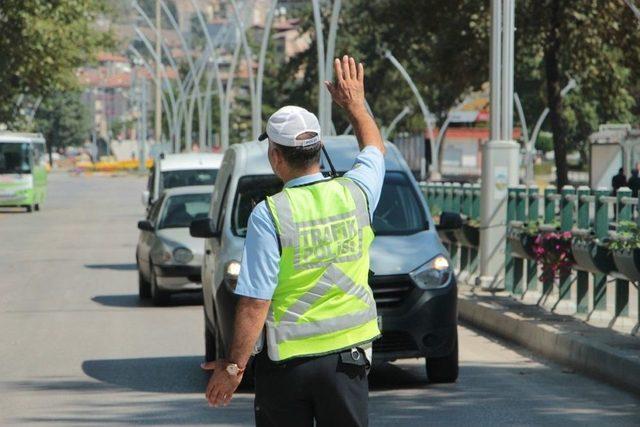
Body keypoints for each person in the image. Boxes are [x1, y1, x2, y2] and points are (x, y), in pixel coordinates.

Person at [201, 55, 386, 427]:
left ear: (275, 155)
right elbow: (374, 148)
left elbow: (255, 302)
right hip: (348, 364)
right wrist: (355, 105)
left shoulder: (270, 214)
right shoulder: (357, 194)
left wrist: (234, 367)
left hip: (288, 368)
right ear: (319, 149)